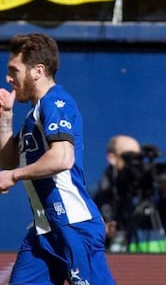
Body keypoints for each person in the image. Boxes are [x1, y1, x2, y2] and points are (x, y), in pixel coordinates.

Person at [0, 33, 115, 284]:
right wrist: (5, 119)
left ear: (37, 71)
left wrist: (14, 176)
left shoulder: (56, 102)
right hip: (44, 231)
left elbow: (62, 158)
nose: (9, 78)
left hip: (74, 226)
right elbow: (9, 162)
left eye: (14, 70)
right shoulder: (34, 114)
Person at [93, 134, 166, 253]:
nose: (135, 163)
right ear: (112, 158)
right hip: (122, 262)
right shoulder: (103, 192)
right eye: (129, 157)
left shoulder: (151, 182)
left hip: (161, 260)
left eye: (138, 157)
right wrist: (104, 233)